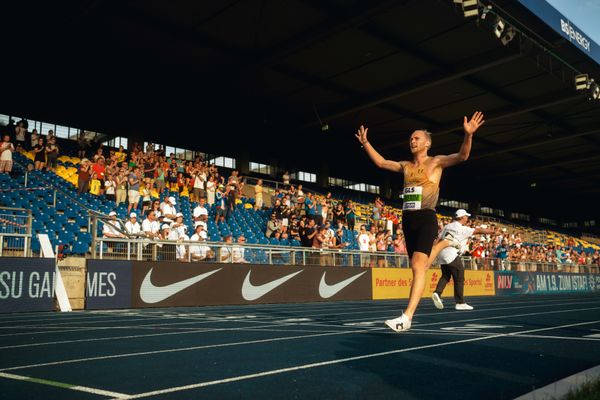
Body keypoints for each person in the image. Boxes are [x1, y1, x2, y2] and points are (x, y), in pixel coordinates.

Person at [355, 111, 485, 332]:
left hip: (426, 217)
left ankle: (407, 317)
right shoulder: (406, 166)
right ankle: (443, 245)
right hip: (408, 219)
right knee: (420, 265)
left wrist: (468, 135)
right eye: (410, 139)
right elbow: (382, 163)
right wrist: (366, 143)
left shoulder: (436, 162)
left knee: (418, 266)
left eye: (416, 138)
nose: (412, 141)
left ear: (427, 143)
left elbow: (462, 156)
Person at [432, 209, 495, 311]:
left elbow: (438, 240)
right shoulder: (462, 229)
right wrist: (493, 232)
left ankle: (437, 292)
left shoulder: (447, 226)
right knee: (459, 277)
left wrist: (434, 253)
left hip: (441, 252)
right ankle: (460, 302)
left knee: (446, 275)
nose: (467, 218)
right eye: (466, 216)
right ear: (462, 217)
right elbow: (478, 230)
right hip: (451, 254)